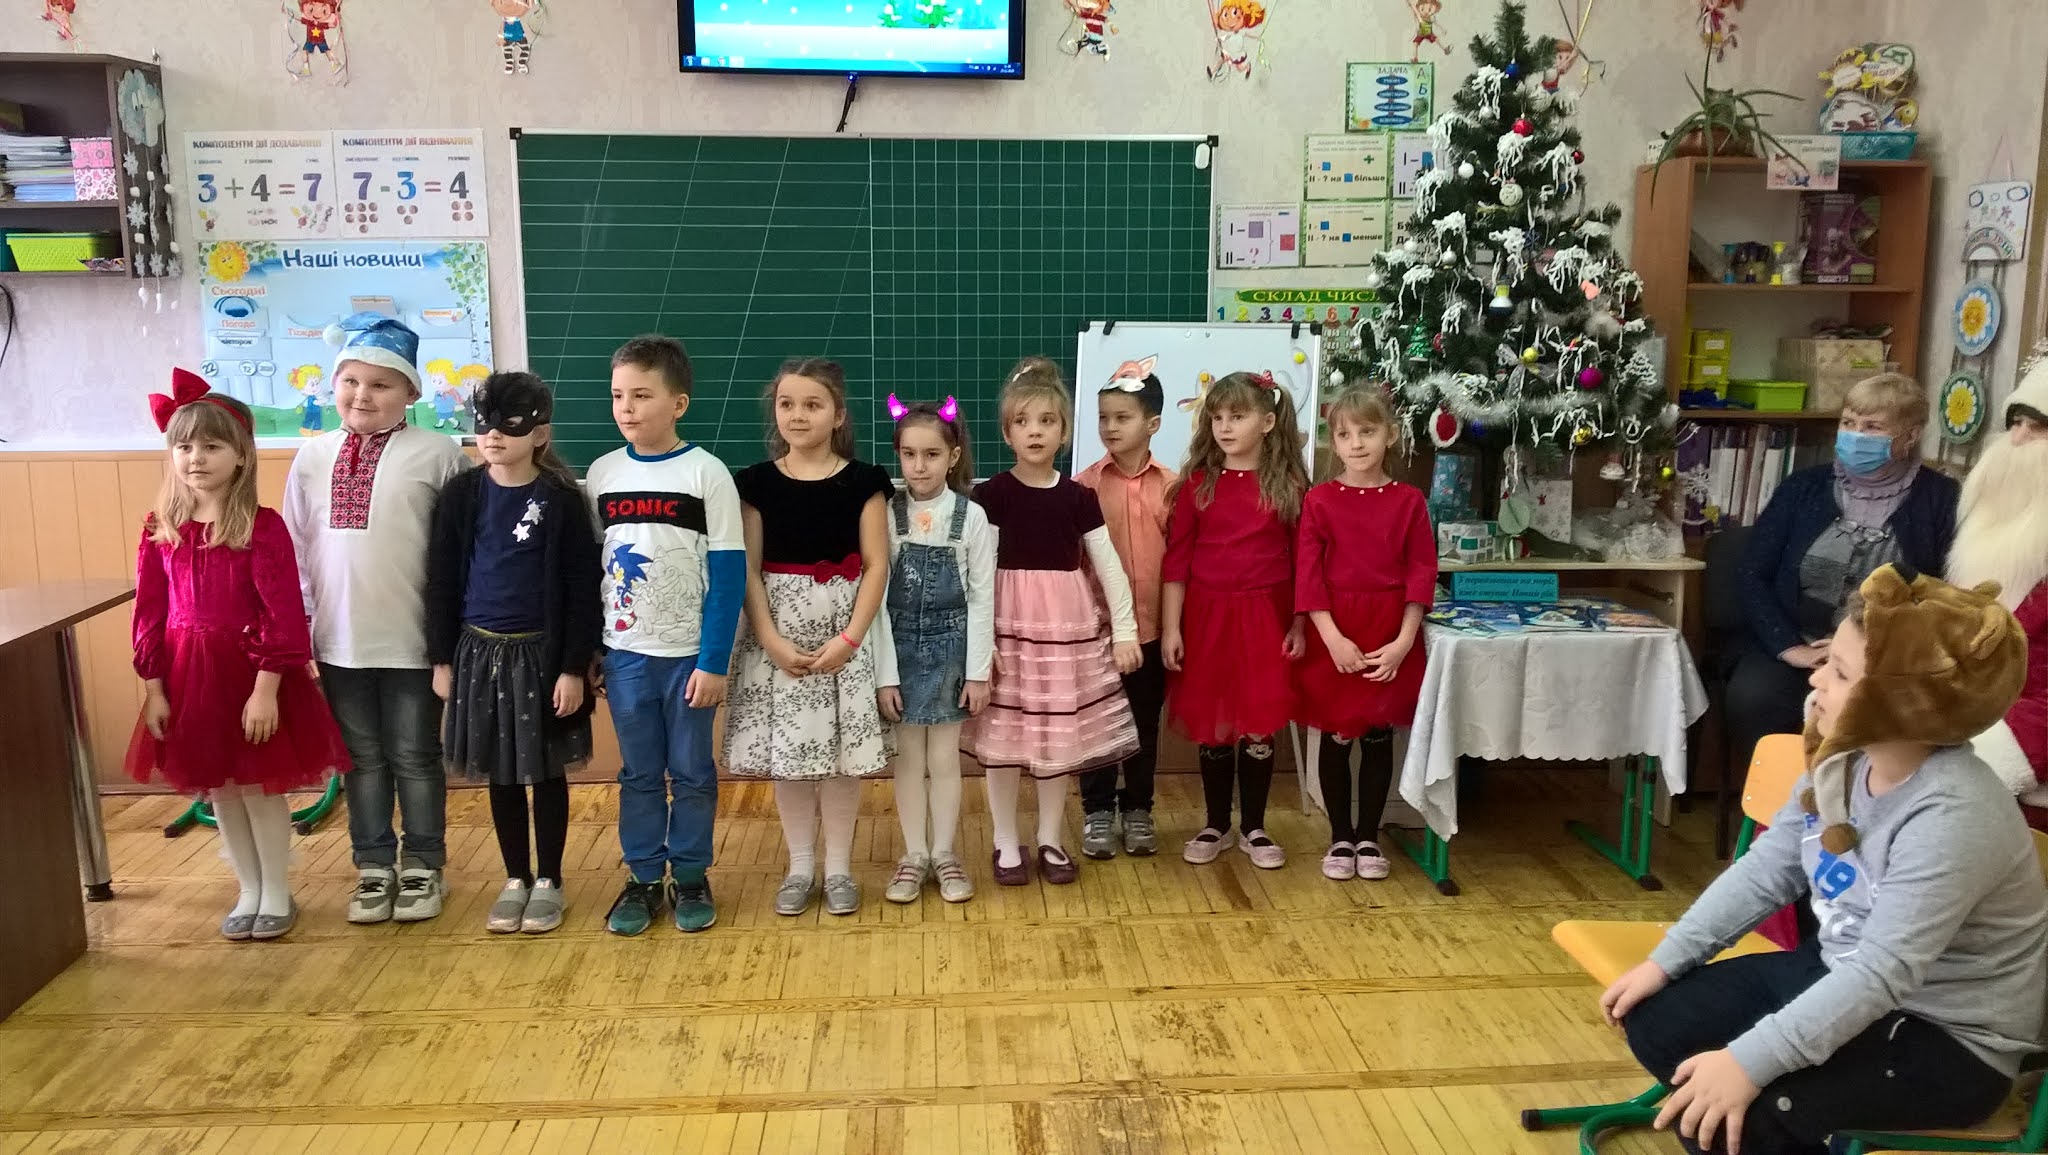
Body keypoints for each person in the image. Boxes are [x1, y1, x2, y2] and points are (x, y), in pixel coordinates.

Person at [1603, 564, 2047, 1155]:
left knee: (1733, 1120)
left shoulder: (1954, 813)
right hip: (1840, 972)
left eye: (1838, 671)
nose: (1816, 680)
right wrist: (1666, 961)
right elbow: (1765, 871)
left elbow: (1883, 973)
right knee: (1657, 1020)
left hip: (1944, 1040)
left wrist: (1747, 1064)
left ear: (1901, 703)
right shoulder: (1846, 760)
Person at [126, 371, 350, 941]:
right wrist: (154, 688)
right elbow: (149, 612)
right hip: (187, 676)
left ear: (242, 455)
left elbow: (283, 612)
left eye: (211, 446)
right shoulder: (161, 528)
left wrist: (266, 690)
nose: (196, 458)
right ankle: (247, 888)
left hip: (250, 675)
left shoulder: (261, 526)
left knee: (257, 787)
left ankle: (275, 889)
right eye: (184, 446)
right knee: (220, 787)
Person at [284, 313, 466, 926]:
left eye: (380, 384)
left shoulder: (439, 454)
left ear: (411, 392)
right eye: (351, 381)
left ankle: (424, 863)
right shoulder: (312, 456)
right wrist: (302, 632)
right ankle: (373, 865)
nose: (362, 395)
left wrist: (448, 642)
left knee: (415, 754)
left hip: (413, 640)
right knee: (359, 758)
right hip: (338, 642)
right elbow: (297, 549)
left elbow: (458, 554)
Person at [424, 373, 601, 935]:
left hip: (541, 659)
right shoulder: (461, 495)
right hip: (478, 654)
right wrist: (442, 659)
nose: (493, 435)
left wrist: (572, 667)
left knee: (545, 772)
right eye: (484, 424)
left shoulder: (561, 501)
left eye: (509, 425)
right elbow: (441, 581)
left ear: (540, 433)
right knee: (500, 774)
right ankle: (515, 877)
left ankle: (549, 879)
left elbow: (581, 588)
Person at [1726, 372, 1956, 782]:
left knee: (1888, 714)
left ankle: (1858, 803)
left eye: (1872, 426)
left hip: (1885, 654)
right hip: (1796, 640)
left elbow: (1942, 594)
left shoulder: (1942, 499)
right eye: (1848, 422)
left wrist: (1861, 645)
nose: (1855, 435)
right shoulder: (1803, 488)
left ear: (1910, 435)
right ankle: (1777, 804)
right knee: (1754, 697)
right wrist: (1789, 647)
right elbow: (1751, 574)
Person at [589, 336, 745, 936]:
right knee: (639, 774)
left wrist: (714, 661)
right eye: (617, 396)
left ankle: (692, 874)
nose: (626, 408)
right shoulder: (603, 474)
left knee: (692, 771)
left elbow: (727, 576)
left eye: (641, 395)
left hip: (688, 660)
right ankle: (643, 877)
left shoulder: (707, 474)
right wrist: (595, 651)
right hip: (626, 656)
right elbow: (593, 569)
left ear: (678, 403)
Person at [726, 360, 894, 917]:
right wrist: (770, 640)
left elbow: (876, 564)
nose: (798, 415)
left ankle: (840, 868)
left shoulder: (866, 481)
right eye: (787, 404)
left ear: (838, 415)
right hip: (779, 642)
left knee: (842, 761)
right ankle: (800, 866)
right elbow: (749, 569)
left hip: (843, 641)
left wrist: (850, 639)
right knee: (791, 760)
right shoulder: (755, 483)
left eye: (812, 404)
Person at [965, 358, 1143, 886]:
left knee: (1056, 739)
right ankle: (1004, 841)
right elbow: (977, 574)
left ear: (1064, 432)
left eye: (1046, 421)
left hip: (1065, 635)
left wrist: (1125, 631)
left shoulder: (1079, 497)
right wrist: (979, 644)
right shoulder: (991, 496)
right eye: (1022, 422)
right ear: (1007, 433)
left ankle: (1049, 838)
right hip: (1007, 632)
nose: (1034, 431)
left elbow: (1109, 567)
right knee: (1002, 741)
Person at [1163, 370, 1308, 870]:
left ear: (1267, 422)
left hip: (1267, 619)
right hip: (1207, 618)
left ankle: (1255, 827)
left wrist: (1299, 623)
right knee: (1215, 722)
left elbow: (1303, 563)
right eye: (1217, 417)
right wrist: (1172, 627)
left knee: (1258, 723)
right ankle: (1216, 823)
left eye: (1238, 416)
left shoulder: (1288, 486)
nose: (1224, 426)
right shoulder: (1197, 485)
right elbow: (1177, 562)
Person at [1294, 386, 1437, 881]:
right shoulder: (1319, 500)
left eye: (1367, 432)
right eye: (1344, 434)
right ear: (1333, 440)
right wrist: (1331, 637)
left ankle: (1369, 837)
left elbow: (1421, 570)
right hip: (1335, 632)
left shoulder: (1409, 501)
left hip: (1389, 631)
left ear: (1390, 435)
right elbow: (1308, 575)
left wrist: (1403, 642)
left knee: (1378, 736)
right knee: (1336, 736)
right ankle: (1340, 836)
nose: (1355, 443)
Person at [872, 395, 995, 904]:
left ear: (953, 455)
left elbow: (983, 598)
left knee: (943, 756)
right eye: (909, 454)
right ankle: (914, 854)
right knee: (907, 757)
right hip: (898, 651)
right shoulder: (884, 514)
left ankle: (944, 853)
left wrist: (978, 672)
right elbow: (876, 600)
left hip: (952, 652)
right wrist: (884, 674)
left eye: (931, 454)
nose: (919, 466)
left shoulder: (972, 517)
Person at [1073, 359, 1176, 860]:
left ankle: (1138, 808)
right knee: (1095, 721)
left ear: (1152, 423)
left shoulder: (1174, 486)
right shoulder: (1083, 486)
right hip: (1096, 630)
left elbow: (1180, 562)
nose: (1110, 427)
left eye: (1122, 417)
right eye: (1103, 417)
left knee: (1142, 723)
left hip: (1152, 630)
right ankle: (1096, 809)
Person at [1950, 355, 2048, 830]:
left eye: (2038, 427)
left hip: (2023, 741)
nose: (2018, 439)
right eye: (2016, 422)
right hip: (1970, 712)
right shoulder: (1991, 526)